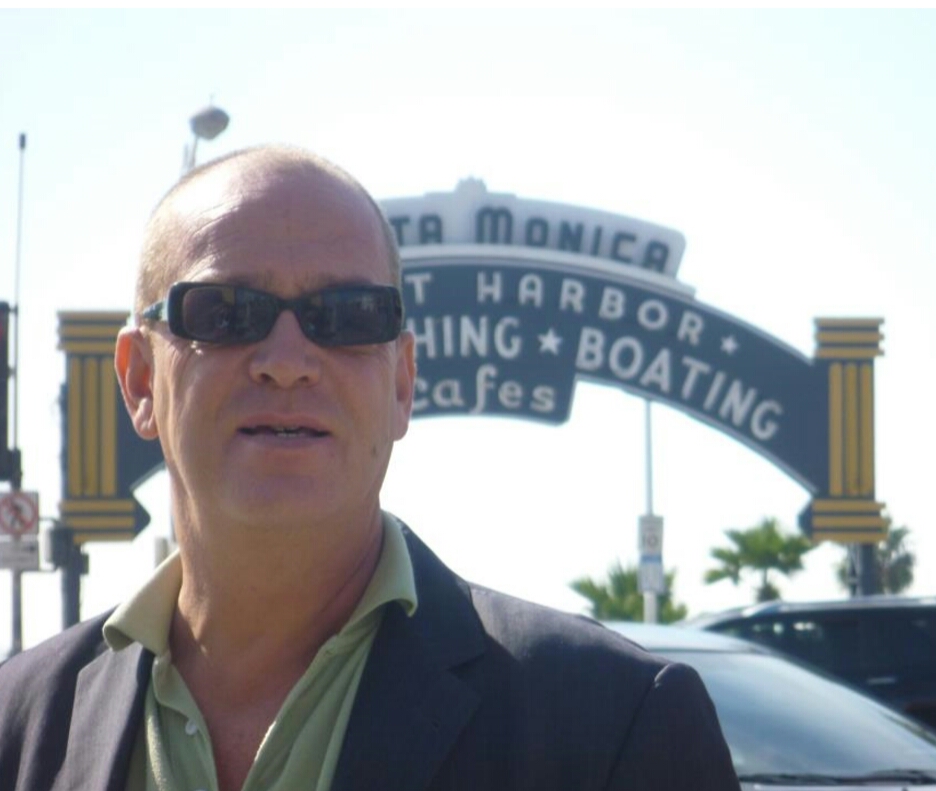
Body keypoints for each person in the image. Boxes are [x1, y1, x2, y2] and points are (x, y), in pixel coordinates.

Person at [0, 146, 740, 791]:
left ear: (401, 384)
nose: (288, 361)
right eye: (225, 312)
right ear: (139, 381)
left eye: (348, 315)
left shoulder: (615, 724)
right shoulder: (21, 725)